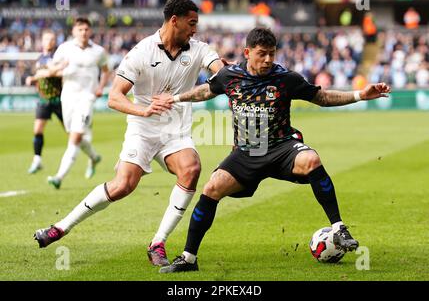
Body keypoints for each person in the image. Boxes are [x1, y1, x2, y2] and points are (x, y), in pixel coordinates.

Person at [154, 27, 391, 273]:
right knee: (212, 188)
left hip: (282, 148)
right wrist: (175, 99)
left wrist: (360, 95)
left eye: (271, 54)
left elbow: (321, 97)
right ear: (247, 52)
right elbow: (207, 90)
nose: (268, 60)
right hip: (246, 153)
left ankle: (339, 228)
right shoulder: (229, 76)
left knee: (311, 159)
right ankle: (189, 258)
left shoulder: (285, 78)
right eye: (261, 54)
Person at [33, 0, 225, 268]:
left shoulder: (199, 49)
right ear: (175, 21)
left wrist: (227, 73)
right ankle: (60, 228)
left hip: (175, 131)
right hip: (143, 129)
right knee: (123, 185)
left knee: (191, 168)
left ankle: (157, 242)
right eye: (191, 23)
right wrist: (143, 110)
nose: (195, 30)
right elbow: (114, 97)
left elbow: (221, 73)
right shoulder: (141, 52)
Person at [41, 17, 109, 189]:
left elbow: (106, 70)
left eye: (86, 29)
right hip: (68, 97)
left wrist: (100, 87)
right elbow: (50, 69)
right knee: (73, 134)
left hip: (87, 98)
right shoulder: (65, 48)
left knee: (76, 136)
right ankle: (94, 157)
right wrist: (60, 67)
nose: (83, 32)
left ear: (90, 31)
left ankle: (59, 176)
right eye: (80, 29)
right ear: (74, 31)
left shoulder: (98, 51)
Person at [25, 30, 63, 174]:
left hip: (59, 99)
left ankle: (91, 155)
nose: (50, 41)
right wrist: (33, 78)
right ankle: (37, 160)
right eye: (47, 39)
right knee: (38, 130)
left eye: (52, 39)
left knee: (72, 132)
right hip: (43, 100)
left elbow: (61, 73)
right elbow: (39, 76)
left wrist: (41, 75)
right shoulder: (39, 58)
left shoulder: (58, 57)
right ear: (42, 41)